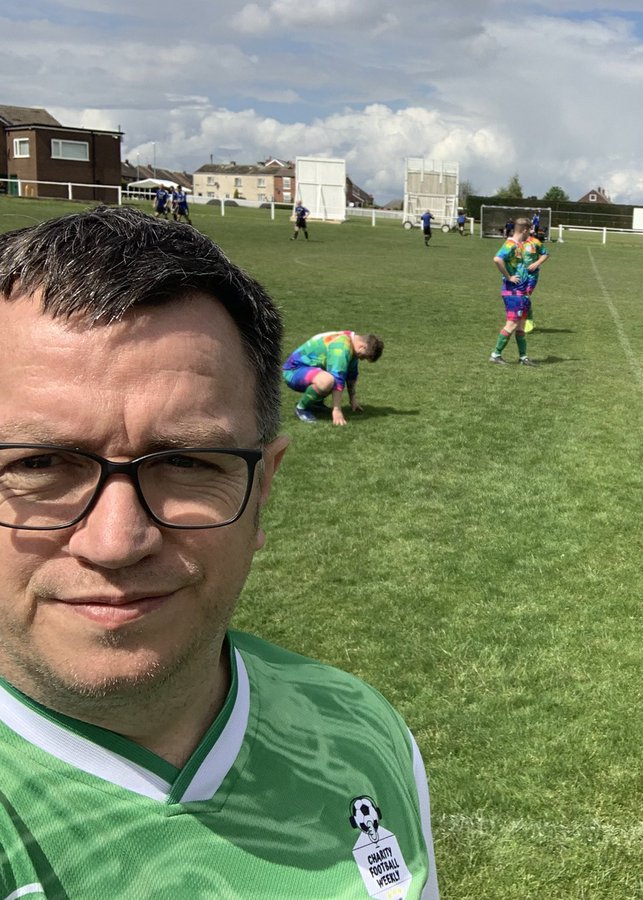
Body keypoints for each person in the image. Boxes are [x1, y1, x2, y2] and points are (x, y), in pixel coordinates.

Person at [0, 206, 437, 897]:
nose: (116, 543)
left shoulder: (366, 734)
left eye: (187, 462)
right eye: (39, 463)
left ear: (262, 491)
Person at [283, 330, 384, 425]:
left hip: (308, 369)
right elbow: (338, 378)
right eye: (365, 357)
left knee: (330, 379)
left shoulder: (352, 344)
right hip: (293, 371)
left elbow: (351, 375)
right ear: (362, 347)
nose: (362, 359)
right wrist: (337, 410)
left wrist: (353, 399)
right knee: (328, 381)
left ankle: (316, 403)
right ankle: (301, 408)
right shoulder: (341, 347)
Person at [488, 217, 536, 367]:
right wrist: (509, 277)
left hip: (521, 293)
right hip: (513, 292)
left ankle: (523, 357)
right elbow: (497, 259)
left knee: (520, 326)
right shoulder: (510, 244)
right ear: (525, 230)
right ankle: (495, 354)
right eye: (530, 230)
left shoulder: (519, 245)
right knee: (512, 324)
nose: (531, 234)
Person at [518, 224, 549, 332]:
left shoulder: (535, 242)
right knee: (519, 297)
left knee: (526, 296)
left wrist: (537, 263)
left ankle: (529, 320)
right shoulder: (513, 242)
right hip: (518, 274)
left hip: (532, 274)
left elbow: (545, 254)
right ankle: (520, 318)